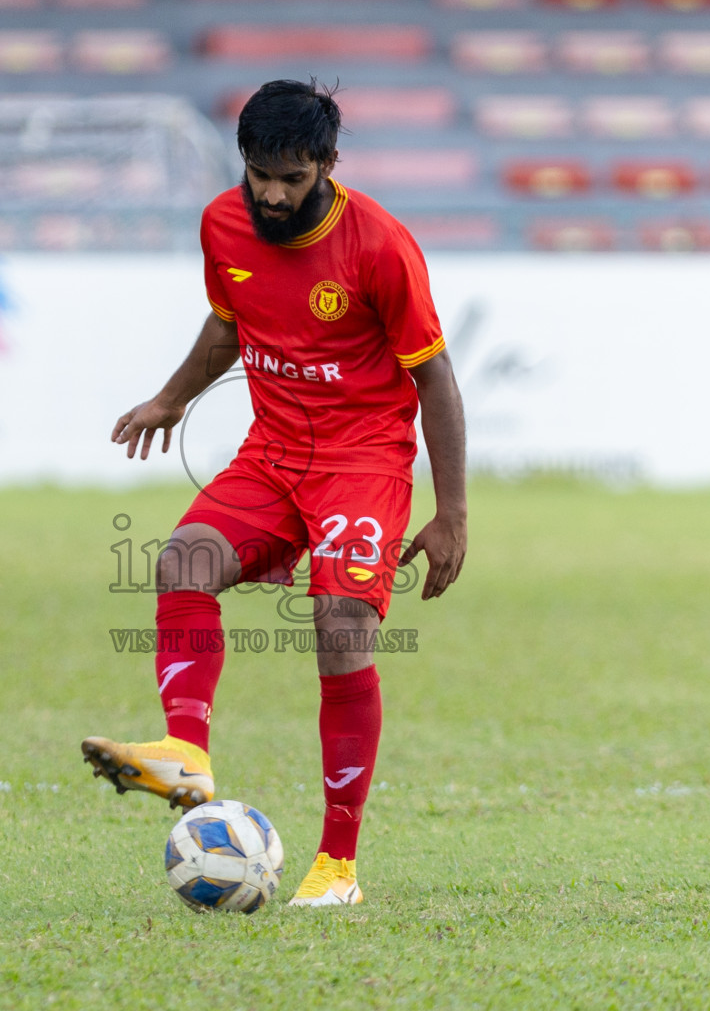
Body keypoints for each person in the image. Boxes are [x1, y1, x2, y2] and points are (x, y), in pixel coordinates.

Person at [82, 79, 467, 907]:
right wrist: (173, 397)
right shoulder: (224, 223)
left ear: (327, 164)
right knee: (182, 560)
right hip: (272, 453)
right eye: (260, 174)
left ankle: (337, 866)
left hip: (360, 461)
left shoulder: (380, 246)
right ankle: (186, 754)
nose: (272, 194)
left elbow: (434, 379)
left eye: (291, 178)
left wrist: (451, 513)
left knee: (340, 627)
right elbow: (229, 321)